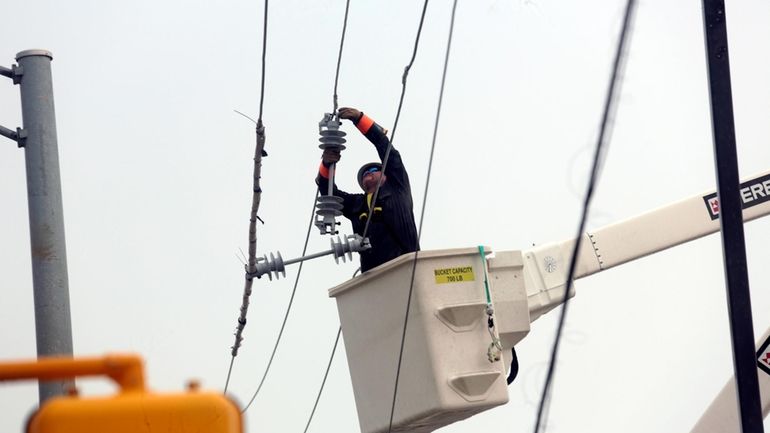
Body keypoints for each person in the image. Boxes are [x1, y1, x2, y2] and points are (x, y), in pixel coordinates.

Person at [316, 107, 419, 272]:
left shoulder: (398, 188)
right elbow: (327, 192)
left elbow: (387, 150)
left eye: (373, 171)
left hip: (406, 266)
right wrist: (327, 163)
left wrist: (360, 119)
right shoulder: (357, 204)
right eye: (364, 174)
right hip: (373, 277)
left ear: (386, 175)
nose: (367, 174)